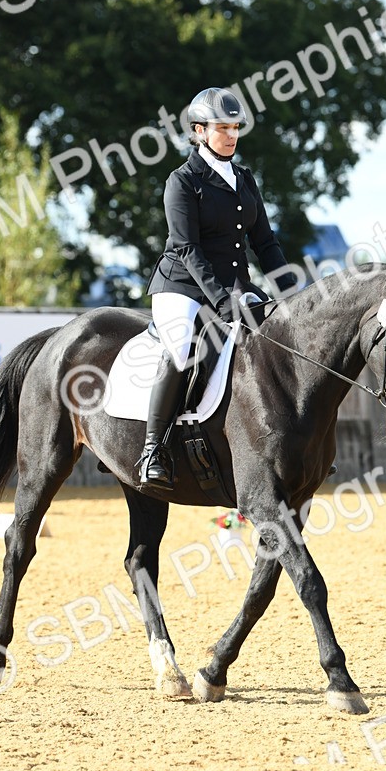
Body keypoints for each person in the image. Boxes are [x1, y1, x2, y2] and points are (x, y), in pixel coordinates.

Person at [138, 86, 297, 489]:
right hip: (182, 288)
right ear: (198, 131)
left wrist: (289, 291)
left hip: (233, 286)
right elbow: (187, 248)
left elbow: (265, 243)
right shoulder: (183, 181)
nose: (230, 134)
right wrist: (224, 300)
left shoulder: (243, 179)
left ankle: (294, 442)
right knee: (182, 348)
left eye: (235, 127)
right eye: (221, 127)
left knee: (278, 339)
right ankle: (153, 449)